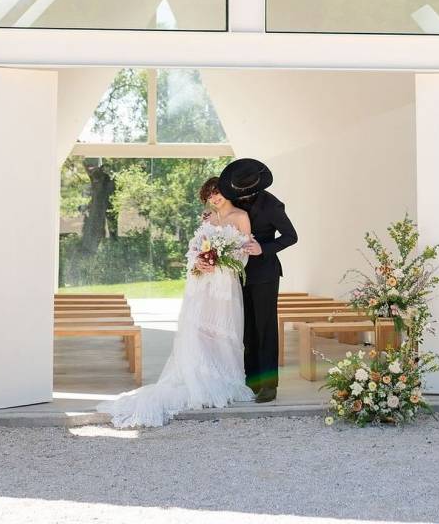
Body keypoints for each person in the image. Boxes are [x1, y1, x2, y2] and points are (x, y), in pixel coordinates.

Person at [108, 177, 256, 428]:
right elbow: (194, 248)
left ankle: (223, 379)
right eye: (209, 195)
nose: (214, 198)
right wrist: (198, 261)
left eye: (217, 193)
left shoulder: (241, 216)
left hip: (224, 285)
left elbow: (245, 252)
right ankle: (197, 377)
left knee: (223, 331)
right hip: (201, 286)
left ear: (227, 192)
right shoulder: (207, 219)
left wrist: (222, 262)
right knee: (197, 330)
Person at [216, 158, 297, 403]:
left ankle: (269, 385)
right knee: (247, 328)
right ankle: (251, 380)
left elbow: (291, 236)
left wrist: (265, 248)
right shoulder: (234, 200)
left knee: (265, 328)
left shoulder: (272, 205)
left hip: (264, 274)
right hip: (238, 273)